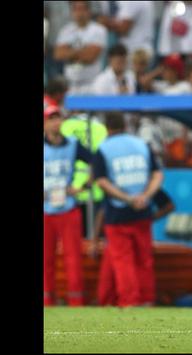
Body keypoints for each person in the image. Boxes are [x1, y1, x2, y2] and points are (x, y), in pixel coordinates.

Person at [93, 112, 164, 307]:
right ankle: (147, 299)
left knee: (123, 261)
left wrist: (127, 198)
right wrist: (145, 196)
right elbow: (157, 174)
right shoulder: (141, 145)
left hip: (118, 212)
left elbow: (102, 182)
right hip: (143, 210)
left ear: (106, 127)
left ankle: (130, 300)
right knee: (144, 259)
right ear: (125, 125)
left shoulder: (104, 149)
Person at [44, 106, 94, 306]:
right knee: (45, 259)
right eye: (52, 119)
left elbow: (96, 162)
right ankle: (47, 302)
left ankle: (76, 302)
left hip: (68, 208)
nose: (56, 122)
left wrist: (82, 186)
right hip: (45, 209)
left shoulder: (73, 144)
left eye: (59, 118)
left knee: (73, 258)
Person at [94, 189, 175, 306]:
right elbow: (103, 211)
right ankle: (130, 302)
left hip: (132, 231)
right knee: (110, 282)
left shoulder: (145, 184)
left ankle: (135, 302)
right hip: (116, 233)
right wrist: (95, 239)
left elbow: (169, 206)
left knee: (135, 268)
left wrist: (149, 218)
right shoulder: (116, 184)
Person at [54, 1, 108, 95]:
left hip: (92, 82)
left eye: (83, 9)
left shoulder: (98, 30)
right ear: (72, 12)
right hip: (70, 83)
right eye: (76, 10)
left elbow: (90, 57)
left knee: (91, 108)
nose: (80, 13)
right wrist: (83, 50)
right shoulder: (66, 30)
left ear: (89, 11)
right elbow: (58, 54)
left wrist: (69, 50)